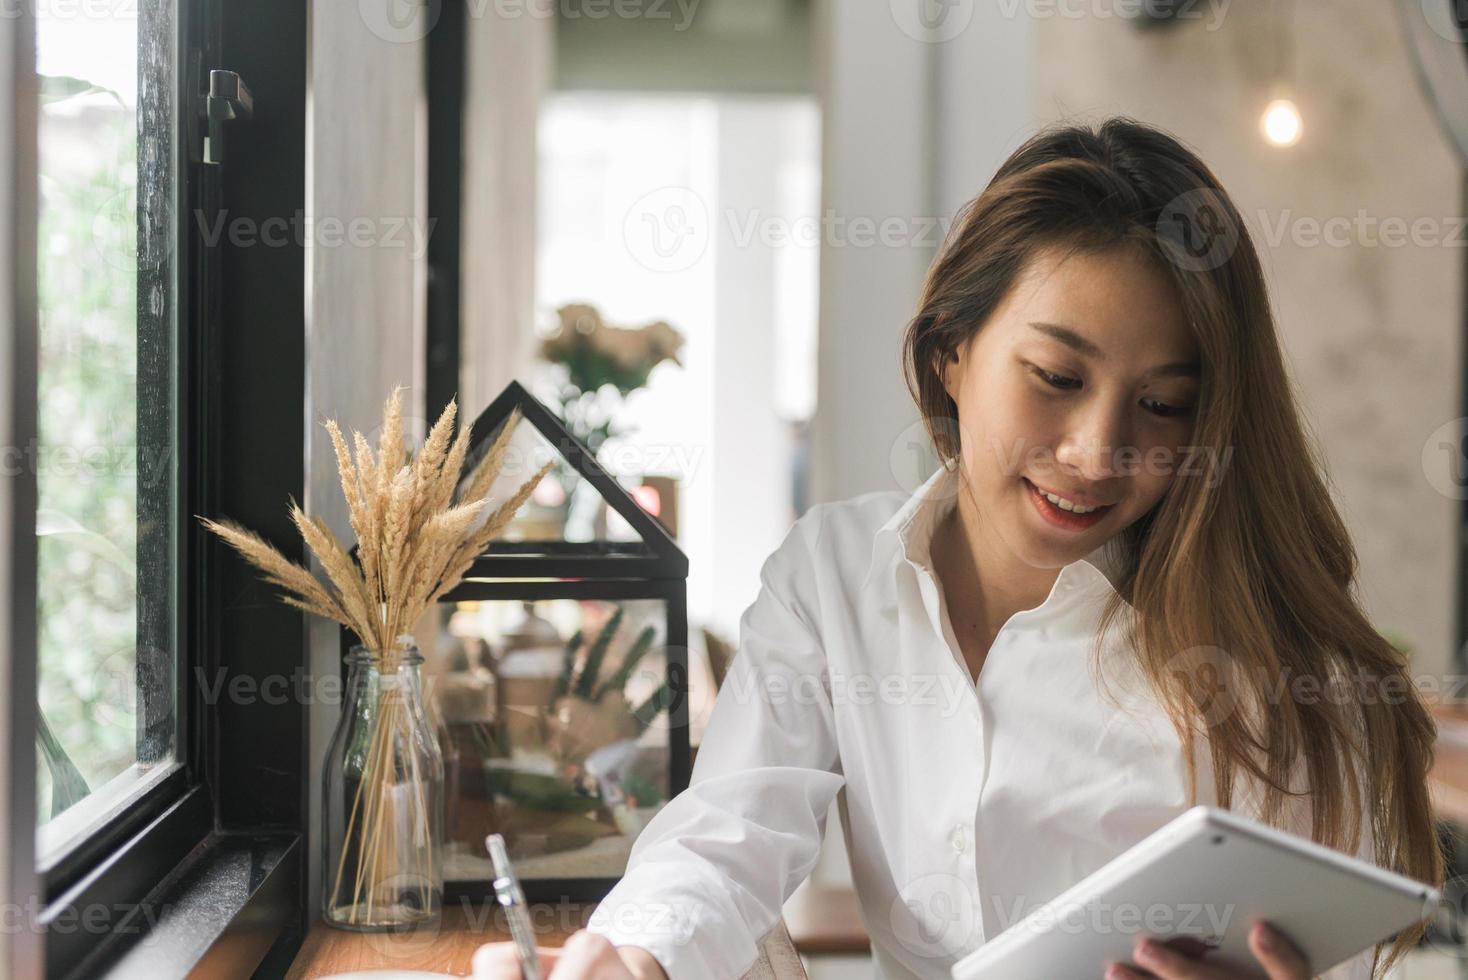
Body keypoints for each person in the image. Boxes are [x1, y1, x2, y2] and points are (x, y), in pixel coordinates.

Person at [472, 117, 1444, 980]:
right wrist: (634, 950)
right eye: (1055, 375)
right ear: (949, 350)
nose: (1097, 450)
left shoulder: (1271, 664)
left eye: (1163, 403)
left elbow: (1340, 952)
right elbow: (732, 828)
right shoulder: (837, 573)